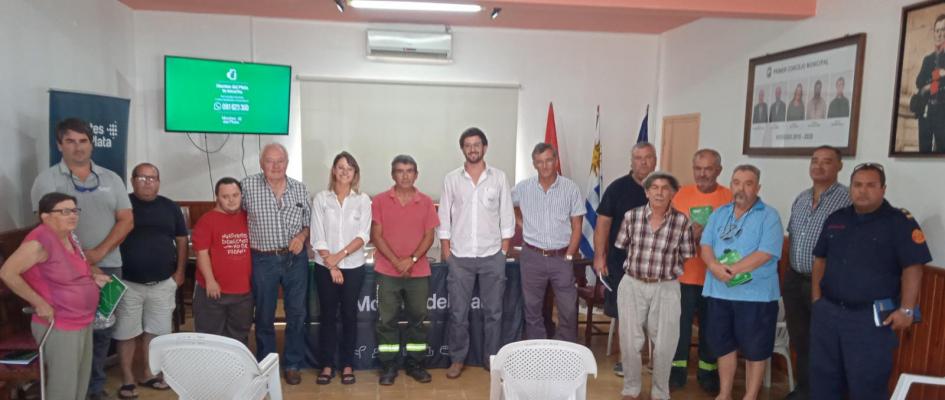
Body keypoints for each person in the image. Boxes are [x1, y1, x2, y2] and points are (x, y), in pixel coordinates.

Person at [30, 118, 133, 400]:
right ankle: (69, 389)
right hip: (60, 272)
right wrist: (78, 260)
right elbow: (44, 226)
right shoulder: (47, 180)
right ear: (59, 144)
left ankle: (94, 388)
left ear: (92, 143)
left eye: (83, 141)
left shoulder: (111, 179)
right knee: (69, 333)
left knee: (101, 331)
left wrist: (98, 253)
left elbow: (126, 220)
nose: (78, 147)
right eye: (70, 141)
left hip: (108, 264)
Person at [809, 163, 932, 400]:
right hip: (829, 314)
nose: (862, 191)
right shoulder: (837, 218)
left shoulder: (899, 222)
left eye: (870, 185)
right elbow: (820, 259)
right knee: (823, 382)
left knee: (867, 385)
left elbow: (913, 268)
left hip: (870, 320)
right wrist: (817, 299)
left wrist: (907, 309)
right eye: (857, 185)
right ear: (850, 188)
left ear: (883, 189)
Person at [0, 192, 112, 400]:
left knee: (79, 382)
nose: (72, 215)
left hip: (82, 320)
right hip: (59, 322)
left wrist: (93, 278)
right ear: (45, 216)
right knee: (63, 387)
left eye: (74, 210)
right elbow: (7, 272)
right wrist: (39, 302)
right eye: (64, 211)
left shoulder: (68, 237)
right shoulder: (39, 241)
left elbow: (74, 270)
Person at [701, 164, 783, 400]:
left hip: (755, 297)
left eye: (748, 184)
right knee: (723, 346)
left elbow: (766, 252)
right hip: (719, 292)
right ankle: (724, 393)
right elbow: (706, 245)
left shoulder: (769, 216)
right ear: (731, 185)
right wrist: (714, 266)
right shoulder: (719, 213)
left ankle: (750, 396)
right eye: (737, 182)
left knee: (755, 350)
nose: (741, 188)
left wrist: (732, 269)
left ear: (758, 187)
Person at [438, 127, 515, 378]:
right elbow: (444, 218)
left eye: (477, 144)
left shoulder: (499, 177)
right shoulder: (452, 179)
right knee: (458, 313)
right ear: (463, 149)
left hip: (492, 255)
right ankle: (457, 359)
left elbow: (506, 216)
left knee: (494, 313)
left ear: (485, 147)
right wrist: (447, 252)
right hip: (460, 257)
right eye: (468, 145)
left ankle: (492, 359)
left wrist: (503, 251)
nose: (473, 148)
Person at [614, 172, 694, 400]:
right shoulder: (632, 217)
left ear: (672, 193)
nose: (659, 192)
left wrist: (664, 269)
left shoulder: (682, 222)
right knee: (630, 341)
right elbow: (621, 245)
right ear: (646, 191)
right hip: (632, 284)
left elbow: (687, 255)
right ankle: (631, 388)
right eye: (654, 187)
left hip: (666, 287)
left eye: (665, 188)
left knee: (666, 343)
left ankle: (660, 391)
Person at [114, 163, 187, 399]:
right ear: (133, 180)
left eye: (152, 177)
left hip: (163, 282)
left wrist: (180, 272)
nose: (148, 182)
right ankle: (127, 378)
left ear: (159, 181)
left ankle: (148, 373)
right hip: (128, 283)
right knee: (126, 333)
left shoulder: (170, 207)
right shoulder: (122, 205)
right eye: (142, 178)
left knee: (156, 332)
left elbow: (182, 239)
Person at [783, 146, 850, 400]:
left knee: (827, 343)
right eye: (814, 161)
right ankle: (805, 390)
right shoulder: (801, 198)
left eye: (826, 162)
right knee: (801, 340)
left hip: (826, 284)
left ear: (839, 166)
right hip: (794, 279)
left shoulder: (847, 200)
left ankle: (826, 394)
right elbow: (793, 237)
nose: (819, 166)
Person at [241, 143, 311, 385]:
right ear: (261, 164)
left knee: (297, 314)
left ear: (287, 163)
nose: (276, 166)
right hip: (262, 259)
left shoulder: (300, 189)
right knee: (264, 315)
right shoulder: (247, 187)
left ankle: (292, 364)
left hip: (296, 260)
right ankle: (267, 366)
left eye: (280, 161)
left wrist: (301, 238)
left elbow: (308, 223)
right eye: (270, 161)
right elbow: (232, 217)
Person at [372, 155, 439, 385]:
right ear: (393, 174)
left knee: (418, 320)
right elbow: (376, 236)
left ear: (416, 174)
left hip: (418, 272)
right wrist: (397, 261)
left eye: (410, 170)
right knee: (387, 321)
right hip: (386, 271)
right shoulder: (380, 200)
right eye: (400, 171)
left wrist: (410, 260)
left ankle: (415, 363)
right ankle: (389, 365)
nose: (405, 175)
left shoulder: (427, 201)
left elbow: (430, 236)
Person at [669, 149, 732, 393]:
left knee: (712, 327)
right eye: (698, 168)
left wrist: (709, 235)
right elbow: (669, 233)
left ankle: (708, 372)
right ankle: (677, 371)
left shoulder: (729, 196)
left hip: (716, 278)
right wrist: (689, 235)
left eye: (708, 169)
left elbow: (736, 235)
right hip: (684, 276)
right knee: (680, 326)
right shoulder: (680, 195)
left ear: (718, 170)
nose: (702, 174)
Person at [594, 141, 656, 377]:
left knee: (654, 313)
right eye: (638, 158)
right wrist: (600, 256)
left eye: (648, 157)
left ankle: (652, 359)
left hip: (656, 264)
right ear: (631, 161)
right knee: (626, 314)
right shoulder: (617, 188)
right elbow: (602, 224)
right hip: (621, 263)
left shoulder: (664, 187)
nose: (643, 162)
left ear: (655, 160)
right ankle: (626, 359)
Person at [512, 143, 584, 342]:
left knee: (568, 308)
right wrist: (520, 222)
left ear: (556, 161)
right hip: (532, 256)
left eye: (549, 161)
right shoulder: (523, 188)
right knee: (532, 308)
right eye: (539, 162)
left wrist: (570, 254)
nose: (544, 166)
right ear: (534, 164)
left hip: (561, 257)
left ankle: (566, 350)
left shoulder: (570, 188)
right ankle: (538, 350)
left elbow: (577, 225)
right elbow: (506, 203)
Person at [311, 151, 371, 385]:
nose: (345, 171)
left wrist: (340, 257)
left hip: (354, 267)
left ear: (355, 173)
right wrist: (332, 264)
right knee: (327, 317)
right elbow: (318, 236)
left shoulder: (362, 200)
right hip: (324, 268)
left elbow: (363, 235)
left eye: (350, 168)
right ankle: (327, 365)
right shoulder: (321, 199)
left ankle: (347, 364)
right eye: (340, 167)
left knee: (349, 316)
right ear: (334, 171)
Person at [191, 177, 253, 344]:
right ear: (217, 197)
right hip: (213, 290)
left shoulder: (249, 218)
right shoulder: (207, 220)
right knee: (211, 337)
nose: (231, 200)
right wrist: (210, 281)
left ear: (241, 195)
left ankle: (236, 370)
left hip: (243, 292)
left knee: (239, 336)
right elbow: (201, 253)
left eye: (235, 195)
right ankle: (212, 370)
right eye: (225, 196)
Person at [914, 14, 945, 153]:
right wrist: (939, 75)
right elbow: (919, 82)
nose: (939, 34)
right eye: (937, 30)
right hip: (926, 113)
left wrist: (929, 85)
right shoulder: (928, 59)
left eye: (943, 30)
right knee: (923, 153)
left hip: (942, 114)